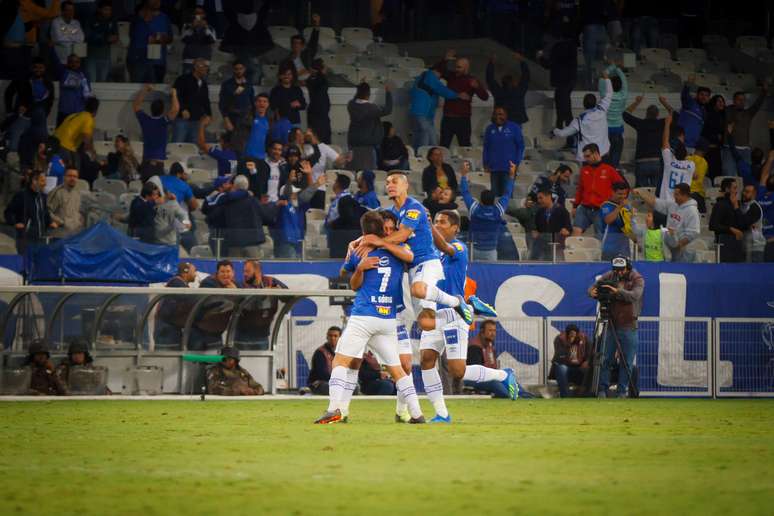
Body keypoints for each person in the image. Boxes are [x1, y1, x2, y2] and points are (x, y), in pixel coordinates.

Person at [314, 211, 426, 424]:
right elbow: (410, 257)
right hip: (387, 319)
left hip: (364, 316)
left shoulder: (360, 251)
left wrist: (360, 267)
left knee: (340, 361)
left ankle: (333, 409)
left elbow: (350, 281)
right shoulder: (399, 250)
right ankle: (418, 414)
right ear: (383, 229)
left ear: (364, 230)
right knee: (397, 369)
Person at [415, 210, 514, 421]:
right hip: (434, 312)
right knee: (426, 360)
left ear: (455, 228)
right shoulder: (432, 253)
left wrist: (428, 222)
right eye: (437, 221)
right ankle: (441, 413)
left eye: (443, 222)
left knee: (457, 371)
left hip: (454, 313)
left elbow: (444, 246)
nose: (439, 225)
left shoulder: (458, 248)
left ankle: (503, 375)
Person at [588, 256, 644, 398]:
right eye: (616, 270)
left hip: (628, 323)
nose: (618, 273)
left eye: (621, 270)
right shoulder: (610, 275)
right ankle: (602, 389)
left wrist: (617, 292)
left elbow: (635, 296)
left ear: (628, 267)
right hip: (611, 321)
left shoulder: (637, 278)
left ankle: (621, 391)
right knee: (606, 358)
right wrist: (591, 291)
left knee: (627, 360)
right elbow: (595, 286)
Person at [460, 160, 517, 261]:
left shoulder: (475, 209)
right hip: (491, 251)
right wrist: (512, 176)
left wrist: (464, 175)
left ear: (480, 201)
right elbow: (507, 194)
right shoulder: (498, 211)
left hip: (474, 249)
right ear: (494, 200)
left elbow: (465, 192)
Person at [210, 175, 277, 257]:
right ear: (247, 186)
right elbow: (267, 218)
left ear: (234, 185)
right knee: (254, 268)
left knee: (235, 267)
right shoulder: (253, 201)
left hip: (234, 242)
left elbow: (216, 218)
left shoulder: (227, 201)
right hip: (253, 242)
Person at [552, 71, 613, 162]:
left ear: (583, 104)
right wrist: (607, 79)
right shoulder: (602, 110)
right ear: (595, 102)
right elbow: (609, 93)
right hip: (602, 154)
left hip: (588, 159)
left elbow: (562, 133)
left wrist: (554, 130)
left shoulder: (579, 120)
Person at [436, 50, 489, 148]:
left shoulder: (472, 80)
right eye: (456, 66)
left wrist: (477, 87)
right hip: (448, 117)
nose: (456, 69)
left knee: (465, 147)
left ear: (466, 68)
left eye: (459, 67)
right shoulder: (451, 76)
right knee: (443, 146)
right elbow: (439, 70)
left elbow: (485, 97)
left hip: (463, 119)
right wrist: (445, 60)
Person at [635, 183, 701, 262]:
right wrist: (641, 193)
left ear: (685, 195)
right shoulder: (673, 205)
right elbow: (655, 203)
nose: (674, 197)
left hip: (684, 250)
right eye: (674, 194)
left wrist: (679, 244)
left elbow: (694, 232)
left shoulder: (692, 210)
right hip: (671, 247)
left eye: (677, 195)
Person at [572, 143, 625, 236]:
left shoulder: (609, 170)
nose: (586, 159)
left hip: (601, 209)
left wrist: (618, 200)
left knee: (600, 236)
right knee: (576, 232)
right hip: (584, 208)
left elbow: (623, 186)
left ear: (596, 153)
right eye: (584, 156)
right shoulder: (584, 170)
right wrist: (575, 206)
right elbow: (580, 189)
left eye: (588, 156)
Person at [3, 59, 55, 153]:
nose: (38, 70)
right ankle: (12, 161)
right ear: (31, 68)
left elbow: (50, 101)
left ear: (45, 68)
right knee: (14, 141)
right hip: (24, 116)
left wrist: (45, 113)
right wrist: (9, 111)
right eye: (36, 67)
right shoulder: (23, 79)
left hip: (39, 119)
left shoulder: (48, 83)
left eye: (41, 68)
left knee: (41, 145)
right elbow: (8, 93)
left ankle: (32, 165)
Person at [236, 258, 288, 348]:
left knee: (264, 362)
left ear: (257, 271)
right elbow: (248, 302)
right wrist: (264, 292)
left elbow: (288, 296)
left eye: (247, 271)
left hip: (262, 337)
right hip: (242, 337)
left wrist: (278, 290)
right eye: (244, 271)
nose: (244, 274)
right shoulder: (240, 285)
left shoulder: (271, 281)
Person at [133, 85, 180, 181]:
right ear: (163, 110)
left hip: (145, 163)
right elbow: (175, 109)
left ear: (151, 109)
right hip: (157, 164)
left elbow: (136, 105)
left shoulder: (145, 120)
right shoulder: (163, 121)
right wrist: (174, 94)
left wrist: (145, 90)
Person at [409, 65, 461, 150]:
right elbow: (442, 90)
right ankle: (422, 159)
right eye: (440, 74)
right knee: (424, 143)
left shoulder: (422, 78)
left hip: (424, 115)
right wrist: (458, 95)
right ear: (435, 71)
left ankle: (419, 157)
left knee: (430, 142)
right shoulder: (429, 76)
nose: (440, 78)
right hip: (421, 114)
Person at [4, 170, 56, 253]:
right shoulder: (22, 195)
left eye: (45, 181)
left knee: (38, 264)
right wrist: (15, 223)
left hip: (41, 238)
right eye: (42, 181)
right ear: (34, 181)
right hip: (25, 239)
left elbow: (45, 212)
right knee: (25, 264)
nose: (45, 183)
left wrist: (50, 222)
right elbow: (8, 212)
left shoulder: (42, 197)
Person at [347, 82, 392, 171]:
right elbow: (388, 109)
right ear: (368, 94)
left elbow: (355, 99)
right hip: (368, 144)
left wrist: (361, 86)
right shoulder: (372, 108)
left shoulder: (351, 105)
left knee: (355, 169)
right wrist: (388, 93)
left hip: (354, 141)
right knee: (370, 171)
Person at [540, 22, 577, 131]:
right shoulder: (572, 46)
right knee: (563, 104)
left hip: (561, 81)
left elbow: (549, 64)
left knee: (564, 107)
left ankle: (567, 132)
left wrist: (541, 58)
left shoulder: (558, 47)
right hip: (570, 80)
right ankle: (560, 128)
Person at [724, 85, 768, 177]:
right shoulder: (727, 111)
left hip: (745, 150)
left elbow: (757, 104)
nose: (742, 102)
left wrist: (764, 91)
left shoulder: (748, 113)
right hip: (729, 148)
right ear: (734, 100)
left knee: (746, 176)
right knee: (729, 174)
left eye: (743, 100)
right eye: (739, 99)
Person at [302, 127, 350, 209]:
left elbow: (339, 160)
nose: (306, 136)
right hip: (304, 188)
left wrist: (346, 158)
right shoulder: (302, 147)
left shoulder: (323, 147)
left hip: (319, 188)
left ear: (314, 135)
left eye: (308, 134)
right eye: (305, 134)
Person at [624, 96, 666, 187]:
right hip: (656, 161)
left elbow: (625, 114)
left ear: (646, 113)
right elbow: (674, 115)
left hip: (641, 161)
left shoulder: (640, 123)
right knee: (656, 193)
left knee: (641, 194)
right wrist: (664, 102)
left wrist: (637, 102)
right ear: (657, 114)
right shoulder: (661, 123)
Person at [126, 0, 173, 83]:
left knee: (156, 92)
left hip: (158, 62)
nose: (157, 2)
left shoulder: (164, 18)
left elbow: (170, 38)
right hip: (139, 62)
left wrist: (161, 39)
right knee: (138, 91)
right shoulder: (136, 19)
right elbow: (132, 37)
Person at [483, 106, 525, 196]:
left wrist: (516, 163)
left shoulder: (514, 127)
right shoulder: (489, 129)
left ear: (506, 115)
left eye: (501, 114)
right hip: (494, 168)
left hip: (508, 168)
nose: (498, 116)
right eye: (496, 114)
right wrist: (485, 162)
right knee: (495, 195)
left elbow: (520, 146)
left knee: (507, 196)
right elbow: (486, 147)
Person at [465, 321, 511, 398]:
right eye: (490, 330)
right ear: (482, 332)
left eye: (494, 331)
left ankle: (525, 397)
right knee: (495, 383)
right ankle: (511, 396)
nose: (493, 333)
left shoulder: (490, 345)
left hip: (488, 376)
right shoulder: (474, 347)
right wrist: (494, 375)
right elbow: (477, 372)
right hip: (473, 379)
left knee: (509, 378)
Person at [155, 261, 197, 346]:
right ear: (185, 273)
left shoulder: (178, 283)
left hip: (169, 330)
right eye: (194, 271)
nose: (196, 274)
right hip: (167, 332)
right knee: (167, 357)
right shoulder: (177, 283)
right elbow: (192, 299)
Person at [53, 96, 99, 170]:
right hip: (66, 147)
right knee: (72, 172)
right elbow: (86, 139)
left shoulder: (74, 115)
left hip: (55, 144)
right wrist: (92, 153)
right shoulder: (89, 119)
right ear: (95, 111)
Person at [171, 59, 211, 143]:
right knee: (178, 143)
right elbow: (177, 95)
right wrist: (183, 109)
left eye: (206, 66)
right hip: (182, 119)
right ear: (196, 67)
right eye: (204, 66)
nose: (206, 69)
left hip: (197, 120)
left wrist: (209, 114)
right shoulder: (183, 79)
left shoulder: (204, 83)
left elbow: (205, 100)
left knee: (193, 146)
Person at [659, 113, 695, 202]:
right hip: (682, 203)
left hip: (666, 201)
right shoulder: (691, 164)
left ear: (673, 153)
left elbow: (665, 142)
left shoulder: (669, 162)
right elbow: (695, 176)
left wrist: (667, 124)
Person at [50, 51, 92, 128]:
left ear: (80, 63)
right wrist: (51, 49)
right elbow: (55, 62)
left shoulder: (85, 76)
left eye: (76, 62)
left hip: (78, 113)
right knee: (59, 137)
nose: (74, 64)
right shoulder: (63, 73)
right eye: (71, 62)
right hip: (64, 112)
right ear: (67, 63)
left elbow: (88, 94)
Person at [486, 52, 529, 125]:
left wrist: (491, 63)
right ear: (513, 82)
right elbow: (526, 76)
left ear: (502, 83)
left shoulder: (498, 92)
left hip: (501, 121)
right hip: (516, 122)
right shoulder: (519, 91)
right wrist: (521, 60)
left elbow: (489, 78)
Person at [599, 61, 629, 168]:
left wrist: (612, 65)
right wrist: (618, 68)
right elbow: (624, 80)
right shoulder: (624, 94)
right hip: (618, 132)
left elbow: (603, 75)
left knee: (604, 161)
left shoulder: (605, 95)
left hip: (605, 131)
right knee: (614, 165)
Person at [549, 325, 592, 397]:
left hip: (579, 367)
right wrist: (568, 343)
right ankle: (565, 395)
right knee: (561, 367)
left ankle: (586, 394)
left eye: (574, 334)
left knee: (590, 368)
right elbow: (559, 357)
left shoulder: (585, 339)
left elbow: (590, 354)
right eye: (570, 334)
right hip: (566, 366)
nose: (572, 336)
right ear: (567, 334)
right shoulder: (559, 339)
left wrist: (587, 361)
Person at [709, 178, 745, 263]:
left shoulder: (737, 204)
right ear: (727, 189)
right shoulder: (720, 205)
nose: (736, 191)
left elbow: (742, 224)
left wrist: (736, 206)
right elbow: (713, 225)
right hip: (724, 245)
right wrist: (731, 229)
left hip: (737, 245)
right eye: (734, 188)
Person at [325, 174, 361, 258]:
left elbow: (347, 218)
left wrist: (332, 224)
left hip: (341, 238)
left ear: (337, 184)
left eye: (335, 181)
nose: (333, 184)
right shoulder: (342, 198)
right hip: (337, 236)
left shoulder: (345, 200)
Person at [530, 188, 572, 261]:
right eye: (538, 198)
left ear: (549, 197)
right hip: (542, 245)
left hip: (557, 246)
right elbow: (536, 228)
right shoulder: (539, 212)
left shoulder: (561, 210)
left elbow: (569, 228)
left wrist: (566, 231)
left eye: (541, 198)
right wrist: (535, 231)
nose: (539, 201)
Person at [600, 182, 635, 260]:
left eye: (624, 194)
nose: (622, 196)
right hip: (609, 246)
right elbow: (608, 220)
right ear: (613, 192)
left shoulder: (628, 206)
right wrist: (620, 207)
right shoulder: (606, 206)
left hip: (624, 246)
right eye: (620, 194)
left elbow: (630, 224)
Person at [218, 61, 255, 136]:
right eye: (236, 69)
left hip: (246, 117)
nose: (239, 71)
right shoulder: (227, 84)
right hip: (232, 117)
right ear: (233, 70)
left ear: (244, 69)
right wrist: (226, 121)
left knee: (244, 141)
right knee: (231, 141)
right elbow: (222, 104)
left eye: (241, 68)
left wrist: (253, 118)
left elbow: (253, 102)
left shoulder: (248, 84)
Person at [84, 0, 117, 82]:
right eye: (105, 9)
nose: (108, 12)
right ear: (99, 9)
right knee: (92, 81)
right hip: (92, 56)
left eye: (109, 10)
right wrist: (105, 38)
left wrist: (115, 38)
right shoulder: (90, 19)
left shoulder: (112, 20)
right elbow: (87, 36)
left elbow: (115, 35)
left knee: (103, 82)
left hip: (105, 56)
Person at [47, 166, 84, 236]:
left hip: (74, 233)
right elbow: (47, 211)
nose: (72, 178)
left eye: (75, 176)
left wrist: (79, 222)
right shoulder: (57, 192)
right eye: (70, 176)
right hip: (60, 233)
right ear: (64, 177)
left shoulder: (78, 193)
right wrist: (60, 222)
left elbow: (78, 211)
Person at [676, 76, 710, 151]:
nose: (704, 97)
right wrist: (688, 84)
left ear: (709, 98)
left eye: (706, 95)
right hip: (681, 144)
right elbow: (684, 95)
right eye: (702, 94)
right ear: (697, 95)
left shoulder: (705, 112)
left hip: (693, 147)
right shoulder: (690, 103)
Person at [180, 6, 215, 74]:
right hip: (189, 61)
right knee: (187, 82)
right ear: (193, 15)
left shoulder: (210, 28)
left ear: (204, 15)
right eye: (196, 13)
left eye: (200, 13)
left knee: (202, 83)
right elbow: (183, 39)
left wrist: (205, 28)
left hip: (204, 62)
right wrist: (192, 28)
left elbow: (213, 40)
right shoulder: (186, 26)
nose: (198, 15)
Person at [269, 63, 306, 128]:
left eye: (289, 74)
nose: (286, 76)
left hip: (295, 123)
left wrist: (299, 104)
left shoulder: (297, 89)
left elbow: (304, 105)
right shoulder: (275, 90)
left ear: (292, 76)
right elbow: (272, 106)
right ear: (280, 76)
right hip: (280, 122)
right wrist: (289, 105)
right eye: (284, 74)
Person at [285, 13, 320, 82]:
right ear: (291, 45)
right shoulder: (287, 59)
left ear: (302, 45)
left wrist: (317, 23)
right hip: (294, 84)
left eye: (298, 43)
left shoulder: (307, 54)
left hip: (308, 84)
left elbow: (314, 40)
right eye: (294, 43)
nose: (296, 45)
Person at [308, 326, 341, 395]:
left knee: (355, 387)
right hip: (321, 383)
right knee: (329, 387)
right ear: (327, 337)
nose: (332, 338)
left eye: (335, 336)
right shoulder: (320, 352)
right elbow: (323, 374)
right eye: (330, 336)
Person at [700, 94, 727, 182]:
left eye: (723, 101)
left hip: (717, 149)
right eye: (719, 101)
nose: (722, 103)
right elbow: (707, 131)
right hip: (708, 149)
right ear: (714, 103)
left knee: (716, 173)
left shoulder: (722, 116)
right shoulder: (709, 114)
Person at [306, 58, 331, 143]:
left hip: (319, 115)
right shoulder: (318, 80)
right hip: (319, 116)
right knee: (320, 140)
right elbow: (323, 84)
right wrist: (321, 73)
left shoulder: (311, 80)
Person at [740, 183, 766, 262]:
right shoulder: (743, 206)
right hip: (746, 245)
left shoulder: (754, 207)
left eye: (747, 192)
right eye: (744, 191)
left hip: (755, 247)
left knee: (755, 272)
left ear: (754, 194)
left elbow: (743, 223)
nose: (744, 194)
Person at [241, 93, 270, 160]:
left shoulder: (269, 121)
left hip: (262, 156)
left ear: (268, 104)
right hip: (247, 155)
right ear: (255, 103)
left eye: (264, 101)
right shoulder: (248, 118)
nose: (262, 103)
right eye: (259, 101)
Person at [688, 139, 710, 213]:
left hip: (686, 194)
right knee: (702, 218)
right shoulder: (705, 163)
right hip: (698, 196)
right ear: (705, 151)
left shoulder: (687, 158)